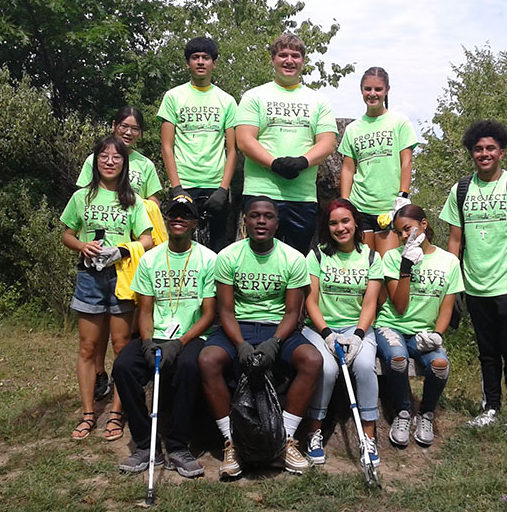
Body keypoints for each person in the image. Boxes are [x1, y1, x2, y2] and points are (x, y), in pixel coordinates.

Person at [197, 196, 322, 479]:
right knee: (207, 359)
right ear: (245, 220)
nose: (261, 221)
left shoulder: (293, 258)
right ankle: (233, 442)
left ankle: (282, 440)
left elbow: (293, 312)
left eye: (268, 216)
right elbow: (225, 311)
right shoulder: (228, 256)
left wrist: (274, 343)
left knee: (313, 360)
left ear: (277, 223)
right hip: (238, 325)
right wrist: (240, 344)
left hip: (277, 328)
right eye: (254, 216)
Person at [439, 119, 507, 447]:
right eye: (478, 149)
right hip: (475, 287)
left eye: (490, 149)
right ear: (472, 153)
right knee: (487, 353)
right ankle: (490, 408)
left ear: (501, 152)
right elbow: (455, 240)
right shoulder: (461, 189)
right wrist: (453, 286)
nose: (484, 154)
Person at [113, 193, 217, 478]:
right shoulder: (150, 260)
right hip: (156, 335)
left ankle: (178, 445)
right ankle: (146, 445)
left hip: (193, 335)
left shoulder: (209, 259)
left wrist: (179, 343)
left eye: (185, 215)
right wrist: (146, 343)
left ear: (195, 223)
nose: (178, 219)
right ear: (166, 220)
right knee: (123, 367)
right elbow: (144, 309)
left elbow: (209, 313)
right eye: (173, 214)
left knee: (187, 365)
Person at [61, 135, 154, 441]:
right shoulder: (82, 197)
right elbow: (67, 234)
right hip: (89, 276)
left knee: (122, 348)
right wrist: (82, 245)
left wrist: (123, 250)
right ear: (95, 161)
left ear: (125, 163)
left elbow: (147, 239)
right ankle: (88, 413)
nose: (110, 162)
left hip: (122, 279)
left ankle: (117, 412)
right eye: (104, 157)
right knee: (88, 347)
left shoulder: (134, 201)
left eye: (116, 158)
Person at [76, 106, 162, 401]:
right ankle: (99, 374)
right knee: (94, 330)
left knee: (123, 332)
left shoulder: (145, 165)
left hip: (128, 258)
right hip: (93, 261)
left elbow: (153, 205)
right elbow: (84, 202)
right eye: (124, 126)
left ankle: (124, 387)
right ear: (114, 126)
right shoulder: (94, 160)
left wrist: (136, 242)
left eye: (135, 128)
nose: (128, 132)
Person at [235, 33, 337, 254]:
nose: (289, 60)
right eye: (283, 55)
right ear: (273, 59)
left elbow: (328, 142)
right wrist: (274, 164)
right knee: (256, 258)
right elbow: (244, 139)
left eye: (295, 55)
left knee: (296, 262)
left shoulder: (319, 100)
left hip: (302, 196)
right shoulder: (254, 96)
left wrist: (303, 161)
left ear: (303, 61)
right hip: (261, 192)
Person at [301, 199, 382, 466]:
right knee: (326, 369)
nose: (340, 227)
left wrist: (358, 335)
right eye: (334, 223)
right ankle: (314, 432)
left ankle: (368, 437)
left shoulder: (371, 257)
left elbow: (370, 303)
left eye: (345, 221)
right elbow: (311, 301)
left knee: (365, 365)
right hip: (320, 328)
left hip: (357, 328)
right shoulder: (317, 255)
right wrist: (326, 333)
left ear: (356, 222)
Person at [375, 204, 463, 448]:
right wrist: (405, 267)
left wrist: (437, 335)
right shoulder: (392, 257)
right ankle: (403, 412)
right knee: (397, 358)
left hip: (423, 332)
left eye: (408, 229)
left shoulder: (448, 262)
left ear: (424, 224)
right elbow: (400, 306)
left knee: (440, 365)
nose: (405, 237)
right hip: (391, 325)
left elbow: (447, 305)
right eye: (399, 232)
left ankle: (426, 413)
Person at [157, 37, 238, 253]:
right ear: (187, 63)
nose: (200, 62)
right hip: (184, 183)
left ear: (214, 63)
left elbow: (232, 150)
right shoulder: (173, 97)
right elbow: (167, 146)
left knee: (218, 249)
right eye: (195, 58)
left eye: (206, 58)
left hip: (215, 185)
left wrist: (223, 189)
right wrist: (176, 188)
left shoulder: (227, 101)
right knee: (180, 247)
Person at [339, 67, 418, 257]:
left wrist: (403, 196)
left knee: (388, 267)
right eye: (368, 89)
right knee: (365, 266)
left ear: (387, 90)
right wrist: (344, 203)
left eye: (378, 89)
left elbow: (406, 162)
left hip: (390, 207)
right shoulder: (352, 129)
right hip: (360, 206)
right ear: (361, 90)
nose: (372, 94)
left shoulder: (400, 122)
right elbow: (348, 169)